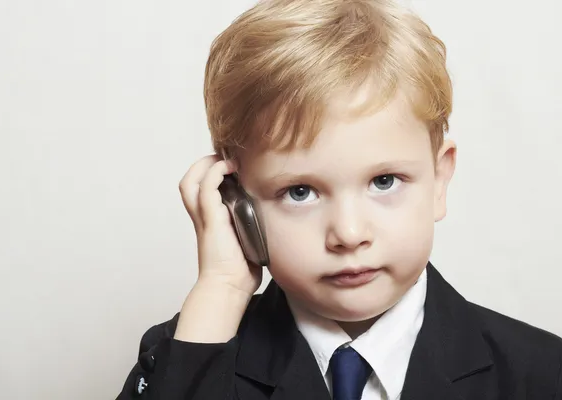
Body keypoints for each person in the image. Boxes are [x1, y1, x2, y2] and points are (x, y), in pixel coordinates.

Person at [116, 0, 562, 399]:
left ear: (439, 180)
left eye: (384, 181)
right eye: (300, 192)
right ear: (235, 201)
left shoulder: (541, 373)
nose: (349, 234)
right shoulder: (188, 354)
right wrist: (222, 288)